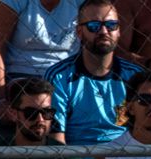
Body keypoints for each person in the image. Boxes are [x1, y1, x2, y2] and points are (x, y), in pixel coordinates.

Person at [47, 0, 142, 143]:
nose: (104, 32)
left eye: (111, 25)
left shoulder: (135, 76)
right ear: (79, 32)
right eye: (94, 26)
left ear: (119, 31)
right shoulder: (59, 76)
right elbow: (57, 139)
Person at [0, 0, 81, 115]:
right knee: (33, 107)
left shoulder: (81, 3)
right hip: (22, 74)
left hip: (66, 74)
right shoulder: (15, 2)